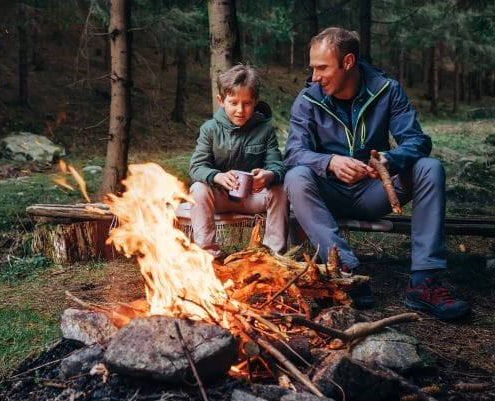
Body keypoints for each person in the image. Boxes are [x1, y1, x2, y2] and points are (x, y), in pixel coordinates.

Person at [283, 27, 470, 320]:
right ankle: (345, 271)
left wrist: (387, 160)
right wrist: (330, 162)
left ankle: (425, 282)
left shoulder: (386, 90)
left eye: (322, 68)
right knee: (295, 176)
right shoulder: (308, 100)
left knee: (429, 168)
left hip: (375, 192)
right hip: (326, 194)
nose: (315, 76)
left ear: (348, 62)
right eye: (313, 68)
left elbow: (418, 142)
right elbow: (293, 153)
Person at [189, 64, 288, 261]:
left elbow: (278, 166)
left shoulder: (264, 130)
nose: (240, 110)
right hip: (220, 197)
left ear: (256, 101)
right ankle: (208, 256)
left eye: (247, 103)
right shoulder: (210, 129)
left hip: (254, 196)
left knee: (280, 189)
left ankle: (273, 256)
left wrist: (268, 175)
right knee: (198, 189)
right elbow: (196, 167)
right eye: (233, 103)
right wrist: (217, 176)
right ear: (221, 101)